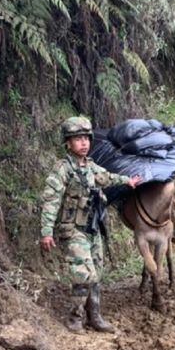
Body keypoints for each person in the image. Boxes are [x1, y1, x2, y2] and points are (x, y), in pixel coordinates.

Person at [40, 116, 141, 333]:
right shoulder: (63, 169)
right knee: (83, 273)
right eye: (78, 139)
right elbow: (51, 201)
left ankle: (94, 316)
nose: (84, 143)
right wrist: (46, 232)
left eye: (86, 138)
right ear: (68, 143)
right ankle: (75, 318)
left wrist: (128, 181)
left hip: (92, 229)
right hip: (73, 230)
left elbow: (107, 177)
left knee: (96, 272)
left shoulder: (90, 166)